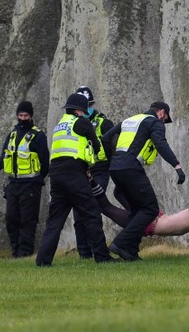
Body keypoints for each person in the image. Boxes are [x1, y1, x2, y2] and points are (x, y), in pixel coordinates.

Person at [102, 101, 186, 261]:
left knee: (138, 211)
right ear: (161, 112)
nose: (163, 123)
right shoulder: (154, 122)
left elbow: (106, 138)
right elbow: (160, 143)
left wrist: (112, 159)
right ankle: (120, 243)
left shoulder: (130, 120)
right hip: (130, 168)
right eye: (165, 118)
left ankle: (130, 251)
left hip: (116, 168)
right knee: (150, 209)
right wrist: (176, 165)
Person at [35, 93, 112, 266]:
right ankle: (102, 257)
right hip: (74, 174)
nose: (85, 113)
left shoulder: (59, 125)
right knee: (91, 214)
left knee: (55, 221)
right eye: (84, 111)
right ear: (79, 110)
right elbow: (97, 145)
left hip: (56, 175)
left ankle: (42, 261)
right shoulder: (82, 122)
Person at [91, 174, 189, 257]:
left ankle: (96, 181)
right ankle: (91, 181)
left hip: (155, 219)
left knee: (116, 198)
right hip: (152, 223)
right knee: (107, 208)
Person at [0, 100, 50, 257]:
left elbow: (45, 162)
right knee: (11, 218)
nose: (23, 118)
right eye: (20, 115)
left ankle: (24, 253)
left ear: (31, 116)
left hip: (31, 185)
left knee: (28, 220)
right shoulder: (12, 135)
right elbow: (3, 158)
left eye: (26, 115)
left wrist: (38, 180)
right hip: (13, 184)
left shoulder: (38, 136)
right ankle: (15, 251)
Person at [71, 86, 117, 259]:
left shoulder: (105, 123)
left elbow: (113, 148)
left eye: (89, 104)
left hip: (100, 170)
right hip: (81, 170)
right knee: (78, 210)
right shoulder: (73, 124)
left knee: (93, 206)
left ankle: (97, 248)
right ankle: (84, 252)